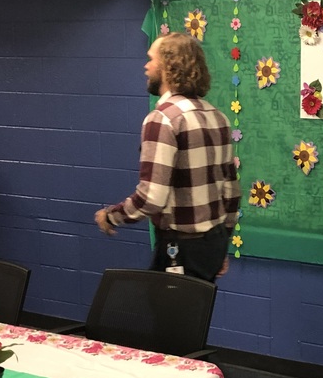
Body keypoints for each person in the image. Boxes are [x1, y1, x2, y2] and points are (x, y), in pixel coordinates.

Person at [95, 32, 240, 281]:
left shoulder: (162, 118)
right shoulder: (218, 118)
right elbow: (231, 192)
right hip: (211, 243)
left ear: (169, 67)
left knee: (170, 319)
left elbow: (152, 197)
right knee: (194, 316)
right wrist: (220, 245)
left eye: (151, 59)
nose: (146, 65)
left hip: (180, 249)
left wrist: (111, 216)